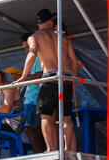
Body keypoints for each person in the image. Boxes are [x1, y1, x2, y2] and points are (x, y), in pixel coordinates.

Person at [13, 9, 79, 152]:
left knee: (46, 116)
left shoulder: (35, 37)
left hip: (50, 77)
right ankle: (68, 150)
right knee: (66, 117)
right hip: (66, 76)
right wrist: (73, 81)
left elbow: (31, 55)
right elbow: (74, 62)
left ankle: (51, 149)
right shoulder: (64, 38)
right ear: (50, 21)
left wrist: (23, 76)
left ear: (38, 23)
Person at [9, 34, 45, 153]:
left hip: (37, 98)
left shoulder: (39, 57)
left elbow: (40, 75)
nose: (26, 50)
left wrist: (23, 77)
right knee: (36, 129)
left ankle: (40, 155)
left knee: (30, 129)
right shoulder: (32, 58)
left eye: (28, 47)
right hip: (30, 100)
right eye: (24, 48)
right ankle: (41, 154)